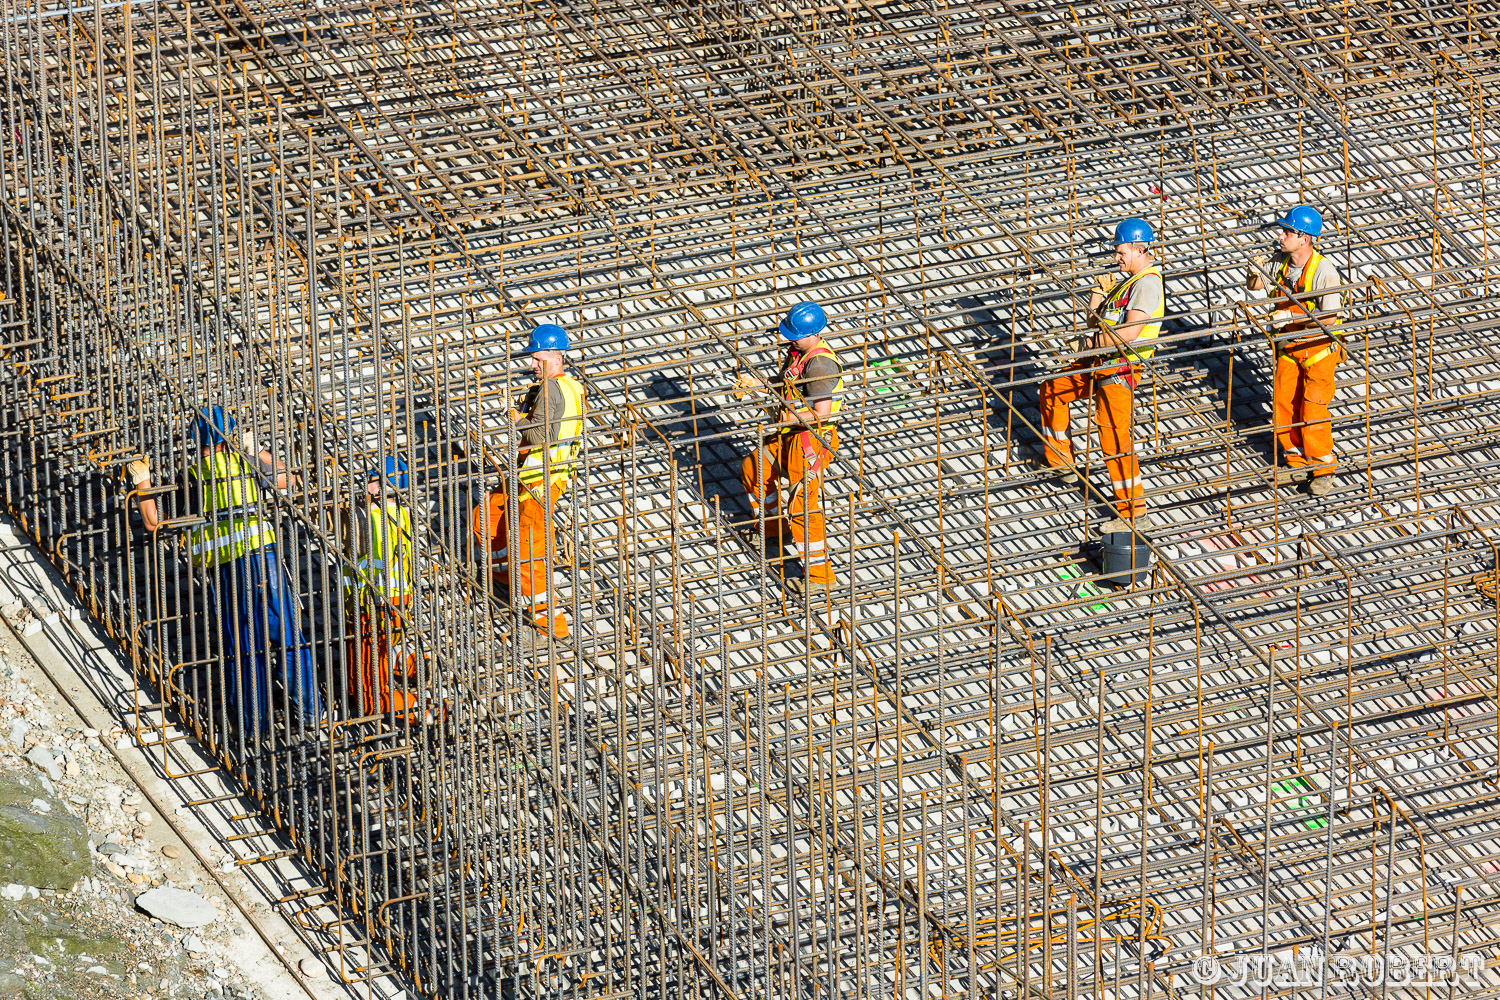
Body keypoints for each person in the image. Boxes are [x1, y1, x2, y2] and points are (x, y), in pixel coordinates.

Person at [123, 406, 321, 736]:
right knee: (288, 638)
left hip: (227, 572)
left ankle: (251, 726)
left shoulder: (191, 477)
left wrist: (142, 481)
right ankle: (309, 714)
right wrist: (256, 449)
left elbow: (153, 523)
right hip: (265, 560)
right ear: (228, 436)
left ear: (193, 439)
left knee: (242, 648)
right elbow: (293, 480)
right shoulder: (246, 464)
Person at [1039, 217, 1165, 533]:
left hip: (1120, 368)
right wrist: (1097, 294)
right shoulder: (1125, 282)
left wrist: (1085, 344)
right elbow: (1095, 323)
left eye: (1121, 252)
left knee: (1114, 439)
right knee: (1053, 389)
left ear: (1139, 249)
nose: (1116, 258)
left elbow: (1130, 332)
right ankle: (1062, 461)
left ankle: (1134, 513)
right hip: (1098, 359)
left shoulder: (1147, 283)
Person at [472, 324, 585, 640]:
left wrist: (513, 415)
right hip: (529, 476)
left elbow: (540, 435)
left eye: (537, 359)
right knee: (489, 515)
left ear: (554, 356)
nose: (532, 365)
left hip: (539, 483)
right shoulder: (570, 387)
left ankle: (549, 621)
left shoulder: (551, 389)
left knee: (528, 549)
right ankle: (505, 576)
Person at [741, 301, 844, 593]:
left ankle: (820, 577)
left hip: (811, 440)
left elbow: (824, 414)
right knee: (754, 468)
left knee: (801, 506)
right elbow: (788, 382)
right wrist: (762, 384)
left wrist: (789, 415)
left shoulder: (820, 364)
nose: (789, 339)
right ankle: (773, 529)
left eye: (793, 335)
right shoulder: (799, 351)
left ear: (812, 334)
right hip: (789, 434)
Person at [1245, 205, 1345, 496]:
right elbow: (1257, 288)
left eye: (1287, 231)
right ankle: (1295, 459)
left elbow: (1328, 317)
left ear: (1304, 238)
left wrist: (1290, 317)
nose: (1281, 235)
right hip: (1289, 348)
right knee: (1284, 406)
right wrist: (1254, 275)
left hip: (1317, 351)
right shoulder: (1281, 261)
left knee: (1312, 409)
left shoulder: (1323, 271)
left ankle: (1322, 469)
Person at [342, 457, 424, 722]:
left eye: (372, 481)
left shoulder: (367, 515)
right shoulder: (403, 514)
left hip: (372, 606)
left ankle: (429, 712)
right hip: (396, 603)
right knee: (384, 649)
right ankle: (407, 662)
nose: (366, 485)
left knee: (367, 696)